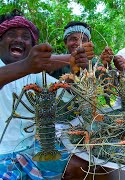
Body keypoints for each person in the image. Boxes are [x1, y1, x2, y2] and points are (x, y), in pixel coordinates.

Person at [0, 10, 91, 179]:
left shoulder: (34, 75)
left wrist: (77, 70)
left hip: (34, 148)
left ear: (31, 45)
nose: (19, 39)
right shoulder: (27, 68)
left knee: (85, 167)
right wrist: (26, 65)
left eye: (26, 36)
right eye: (11, 34)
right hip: (2, 154)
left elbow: (66, 91)